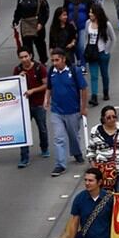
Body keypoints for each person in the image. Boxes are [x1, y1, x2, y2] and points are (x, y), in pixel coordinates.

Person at [45, 48, 88, 177]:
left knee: (73, 135)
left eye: (57, 60)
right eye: (52, 60)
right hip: (56, 111)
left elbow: (84, 89)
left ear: (63, 59)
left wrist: (83, 107)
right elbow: (49, 87)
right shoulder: (51, 72)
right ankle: (60, 165)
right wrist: (46, 99)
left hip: (73, 110)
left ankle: (77, 152)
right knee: (59, 138)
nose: (54, 63)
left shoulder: (75, 71)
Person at [86, 105, 119, 192]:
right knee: (104, 199)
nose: (112, 119)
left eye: (114, 117)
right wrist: (94, 168)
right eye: (108, 117)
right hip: (102, 172)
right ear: (103, 119)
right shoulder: (95, 131)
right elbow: (91, 150)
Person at [15, 48, 50, 168]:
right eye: (21, 57)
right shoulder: (18, 69)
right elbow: (13, 87)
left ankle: (44, 148)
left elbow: (46, 85)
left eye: (26, 56)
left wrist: (33, 90)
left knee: (42, 128)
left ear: (30, 55)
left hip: (38, 104)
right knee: (24, 132)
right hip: (24, 106)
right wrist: (19, 78)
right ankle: (24, 157)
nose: (24, 59)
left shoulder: (40, 68)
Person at [13, 0, 50, 64]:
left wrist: (41, 23)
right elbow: (18, 11)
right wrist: (15, 20)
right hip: (25, 24)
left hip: (37, 23)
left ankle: (43, 61)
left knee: (40, 44)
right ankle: (30, 61)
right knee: (27, 44)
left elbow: (45, 12)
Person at [84, 4, 115, 105]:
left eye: (92, 12)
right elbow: (86, 37)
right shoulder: (87, 23)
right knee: (93, 76)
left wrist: (107, 50)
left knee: (104, 74)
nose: (90, 14)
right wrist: (86, 49)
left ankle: (106, 91)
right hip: (92, 53)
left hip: (102, 52)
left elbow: (113, 38)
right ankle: (94, 96)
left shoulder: (106, 24)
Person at [63, 0, 91, 67]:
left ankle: (83, 63)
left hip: (82, 26)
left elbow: (90, 11)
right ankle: (78, 59)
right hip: (71, 26)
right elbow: (65, 11)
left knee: (81, 45)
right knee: (73, 45)